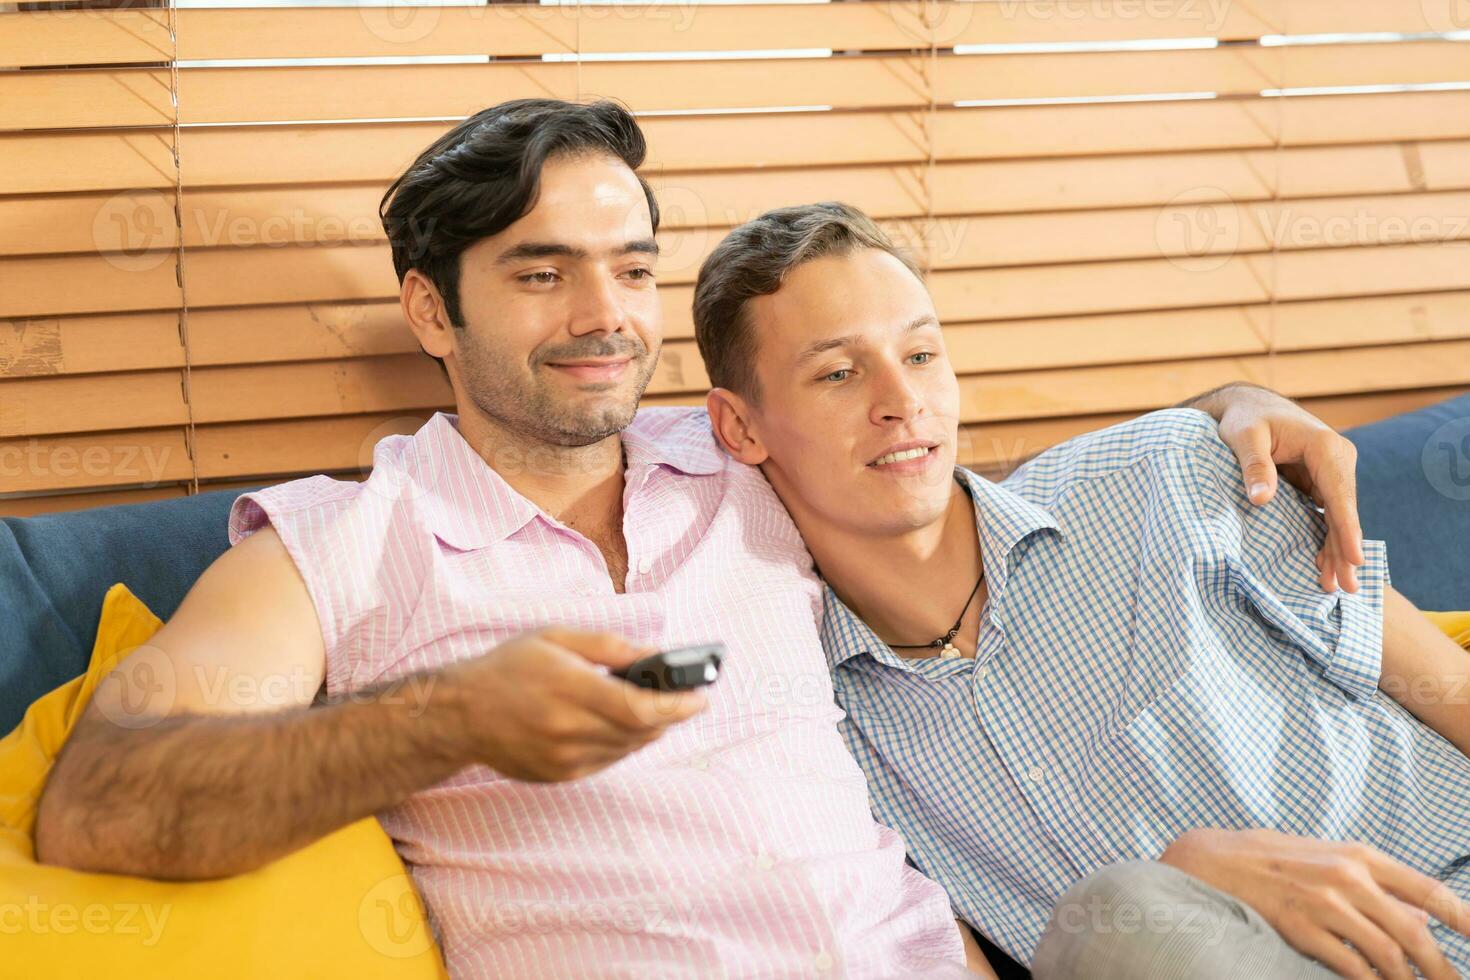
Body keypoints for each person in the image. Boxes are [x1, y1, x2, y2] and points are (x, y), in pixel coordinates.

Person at [34, 99, 1361, 978]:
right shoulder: (338, 547)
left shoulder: (739, 459)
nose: (605, 314)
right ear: (430, 313)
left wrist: (1219, 411)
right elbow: (100, 804)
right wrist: (444, 723)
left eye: (632, 265)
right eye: (540, 272)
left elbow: (960, 480)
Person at [691, 200, 1470, 980]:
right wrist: (1183, 877)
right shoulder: (809, 730)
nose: (902, 401)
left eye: (922, 355)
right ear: (739, 428)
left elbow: (1450, 687)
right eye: (838, 372)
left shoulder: (1167, 474)